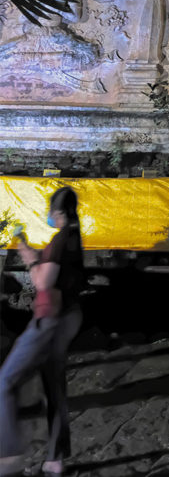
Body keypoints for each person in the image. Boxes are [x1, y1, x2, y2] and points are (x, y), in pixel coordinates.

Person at [0, 187, 85, 477]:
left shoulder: (61, 240)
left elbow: (44, 281)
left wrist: (27, 253)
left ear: (57, 213)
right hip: (68, 317)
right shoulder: (74, 238)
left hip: (49, 319)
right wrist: (35, 255)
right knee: (54, 386)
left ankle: (8, 458)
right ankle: (55, 459)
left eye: (50, 212)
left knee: (5, 381)